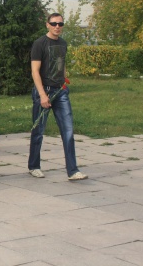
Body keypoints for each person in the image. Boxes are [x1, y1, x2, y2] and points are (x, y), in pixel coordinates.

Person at [29, 13, 88, 181]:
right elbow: (35, 71)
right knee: (38, 131)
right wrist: (42, 95)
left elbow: (62, 64)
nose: (57, 26)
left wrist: (64, 81)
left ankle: (73, 170)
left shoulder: (63, 43)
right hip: (44, 91)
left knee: (68, 130)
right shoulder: (39, 43)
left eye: (60, 24)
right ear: (47, 24)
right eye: (54, 23)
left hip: (60, 91)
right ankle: (34, 166)